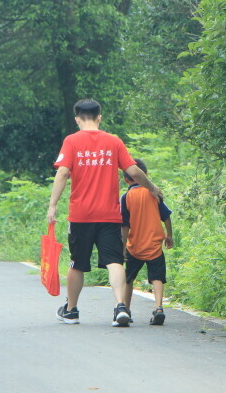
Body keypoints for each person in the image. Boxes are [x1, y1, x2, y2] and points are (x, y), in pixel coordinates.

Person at [47, 99, 162, 327]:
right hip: (109, 215)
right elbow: (133, 171)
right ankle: (120, 307)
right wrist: (152, 187)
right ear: (99, 117)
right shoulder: (114, 141)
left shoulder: (71, 141)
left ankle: (71, 310)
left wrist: (52, 205)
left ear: (77, 119)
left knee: (77, 263)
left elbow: (62, 173)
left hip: (81, 216)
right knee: (114, 261)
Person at [120, 158, 173, 325]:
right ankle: (158, 308)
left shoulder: (126, 197)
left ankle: (126, 310)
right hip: (154, 244)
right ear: (146, 175)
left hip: (134, 245)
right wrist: (169, 235)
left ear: (125, 179)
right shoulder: (154, 194)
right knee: (157, 277)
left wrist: (122, 247)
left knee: (128, 278)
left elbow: (124, 225)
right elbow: (166, 216)